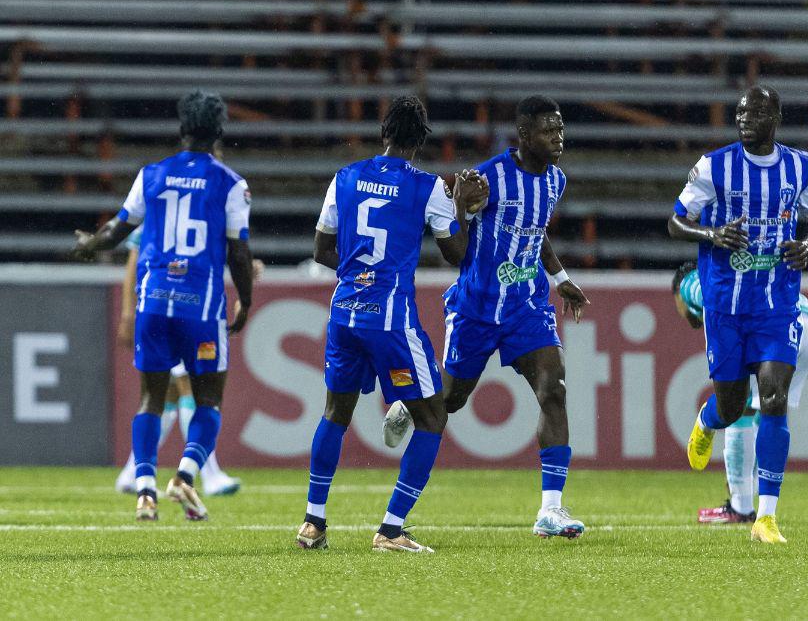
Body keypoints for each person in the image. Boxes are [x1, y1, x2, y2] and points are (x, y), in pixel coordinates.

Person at [295, 95, 488, 553]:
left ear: (383, 134)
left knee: (334, 414)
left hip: (344, 313)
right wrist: (464, 209)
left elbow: (322, 250)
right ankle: (391, 528)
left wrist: (357, 274)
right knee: (433, 416)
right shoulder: (427, 187)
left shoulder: (345, 177)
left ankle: (312, 522)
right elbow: (457, 255)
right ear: (421, 141)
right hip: (391, 319)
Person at [70, 90, 255, 522]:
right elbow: (239, 252)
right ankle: (186, 477)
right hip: (200, 306)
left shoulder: (151, 175)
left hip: (153, 302)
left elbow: (118, 229)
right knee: (208, 399)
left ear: (182, 128)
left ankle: (145, 490)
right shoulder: (230, 183)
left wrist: (90, 245)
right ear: (219, 130)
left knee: (151, 399)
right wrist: (245, 299)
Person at [667, 85, 808, 544]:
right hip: (726, 305)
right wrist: (712, 233)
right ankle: (707, 420)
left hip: (777, 302)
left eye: (755, 111)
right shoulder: (714, 165)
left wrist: (807, 244)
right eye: (740, 110)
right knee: (732, 405)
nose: (744, 117)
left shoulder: (802, 166)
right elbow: (676, 220)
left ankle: (766, 517)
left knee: (774, 399)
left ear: (775, 116)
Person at [431, 95, 591, 540]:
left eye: (560, 129)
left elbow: (535, 234)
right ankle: (413, 402)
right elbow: (456, 250)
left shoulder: (556, 181)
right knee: (450, 401)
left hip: (527, 305)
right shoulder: (487, 179)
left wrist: (560, 280)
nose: (558, 138)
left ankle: (551, 510)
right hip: (478, 307)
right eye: (547, 130)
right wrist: (461, 207)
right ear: (523, 135)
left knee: (553, 387)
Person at [671, 262, 808, 524]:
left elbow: (708, 294)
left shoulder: (691, 283)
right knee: (764, 413)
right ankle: (752, 500)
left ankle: (740, 505)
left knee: (739, 407)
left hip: (777, 322)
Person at [114, 227, 244, 497]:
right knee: (189, 388)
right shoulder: (183, 205)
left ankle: (131, 472)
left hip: (168, 305)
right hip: (181, 305)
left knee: (170, 393)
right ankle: (208, 475)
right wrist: (127, 313)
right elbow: (134, 260)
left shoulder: (158, 203)